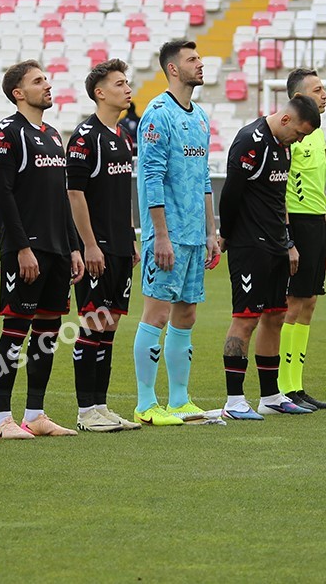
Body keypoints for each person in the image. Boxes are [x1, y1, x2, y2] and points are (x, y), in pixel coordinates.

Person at [0, 60, 84, 438]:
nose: (47, 85)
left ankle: (35, 414)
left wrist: (74, 246)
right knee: (15, 330)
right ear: (18, 93)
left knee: (47, 332)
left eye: (46, 79)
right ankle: (0, 419)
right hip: (26, 250)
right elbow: (3, 194)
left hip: (58, 249)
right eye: (37, 81)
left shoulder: (52, 134)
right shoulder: (7, 133)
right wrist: (21, 247)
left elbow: (60, 197)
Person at [133, 39, 221, 425]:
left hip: (193, 235)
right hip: (166, 236)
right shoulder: (156, 114)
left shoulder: (200, 116)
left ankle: (180, 400)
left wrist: (211, 231)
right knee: (157, 315)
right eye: (192, 59)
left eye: (198, 58)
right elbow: (150, 177)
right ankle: (146, 404)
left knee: (186, 315)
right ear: (172, 68)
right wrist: (161, 235)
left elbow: (203, 180)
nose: (200, 64)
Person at [217, 97, 321, 419]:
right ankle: (234, 401)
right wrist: (227, 235)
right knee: (245, 318)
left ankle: (271, 396)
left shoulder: (283, 146)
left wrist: (288, 241)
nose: (300, 140)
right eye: (300, 133)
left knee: (275, 316)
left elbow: (279, 200)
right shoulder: (251, 140)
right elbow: (231, 193)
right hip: (249, 245)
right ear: (287, 120)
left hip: (277, 244)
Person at [67, 60, 142, 432]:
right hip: (97, 247)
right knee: (91, 324)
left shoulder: (123, 137)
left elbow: (121, 195)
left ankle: (101, 405)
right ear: (100, 92)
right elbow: (75, 194)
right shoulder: (85, 136)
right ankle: (85, 412)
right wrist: (89, 245)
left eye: (127, 83)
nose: (127, 89)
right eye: (119, 84)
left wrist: (129, 238)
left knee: (109, 325)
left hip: (119, 246)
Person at [279, 68, 326, 411]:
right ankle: (283, 386)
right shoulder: (290, 134)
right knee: (292, 304)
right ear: (299, 98)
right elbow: (280, 189)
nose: (325, 94)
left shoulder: (315, 134)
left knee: (309, 303)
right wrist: (288, 237)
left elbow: (322, 189)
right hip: (296, 224)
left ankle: (296, 385)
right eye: (318, 89)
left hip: (316, 224)